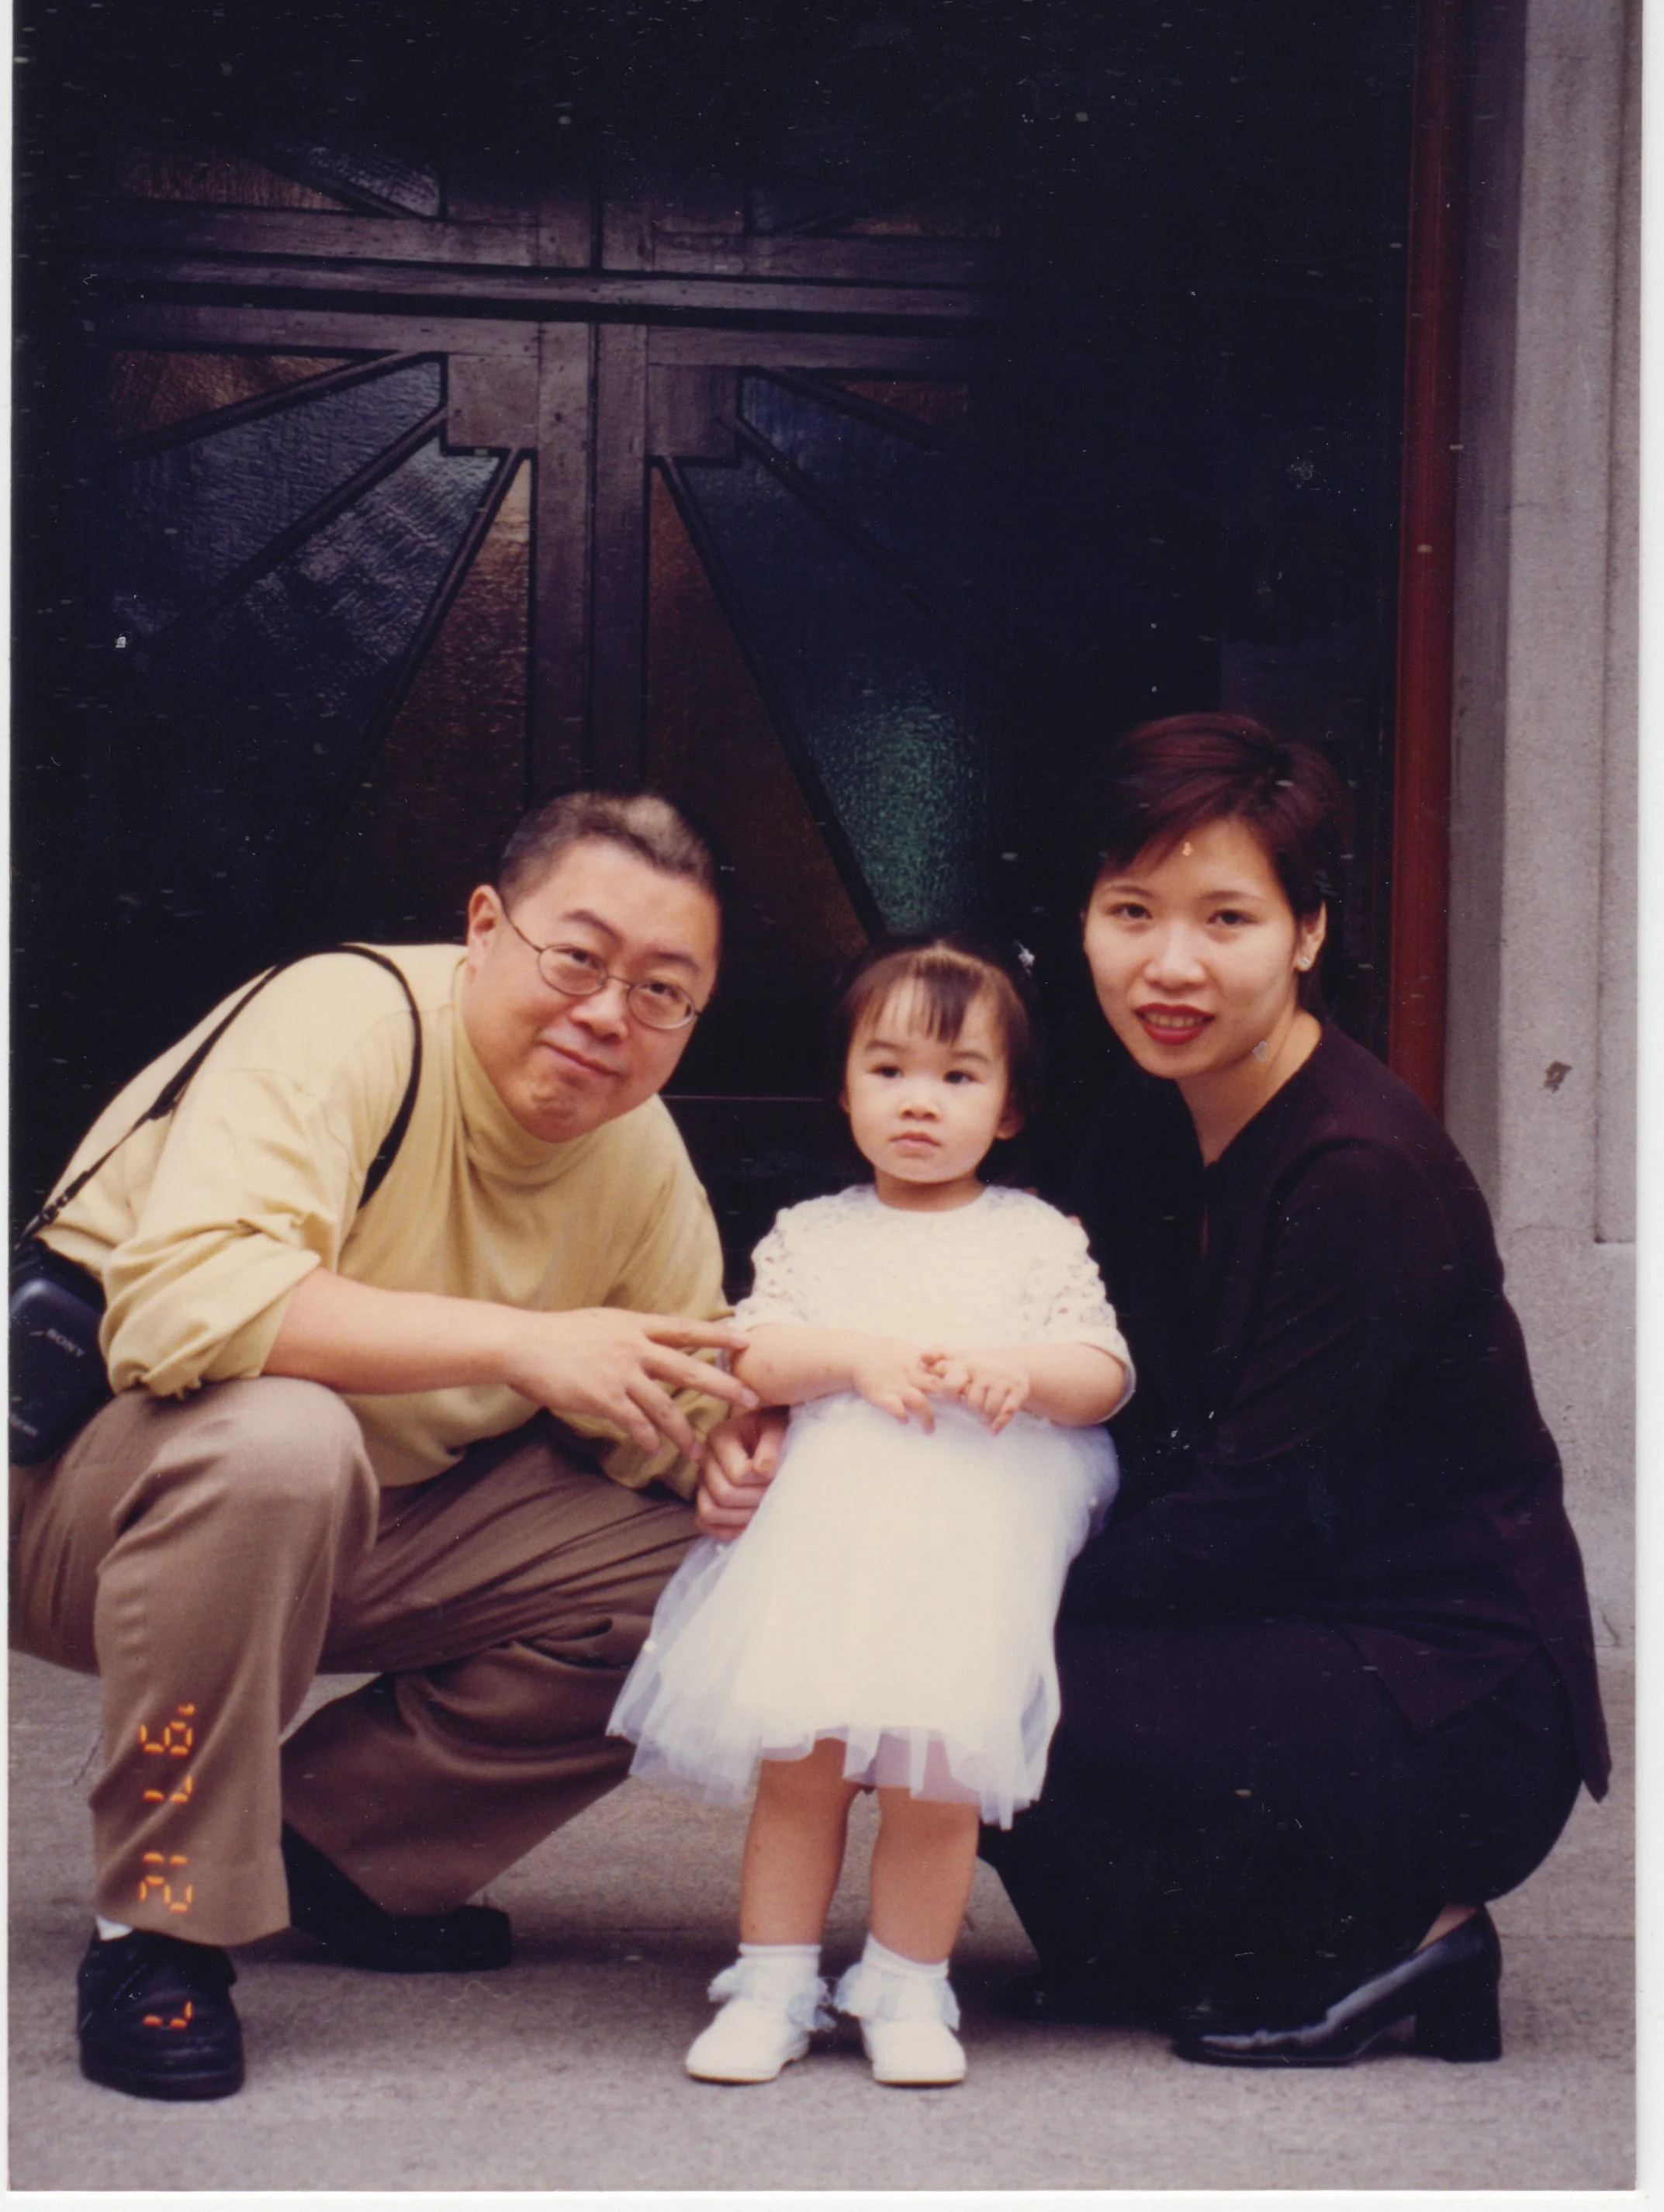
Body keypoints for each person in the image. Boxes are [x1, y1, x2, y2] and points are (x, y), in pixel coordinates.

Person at [10, 789, 763, 2103]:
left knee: (713, 1573)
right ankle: (164, 1921)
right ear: (486, 926)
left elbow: (683, 1410)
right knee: (282, 1442)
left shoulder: (638, 1152)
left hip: (369, 1523)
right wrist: (519, 1344)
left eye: (662, 991)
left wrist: (748, 1460)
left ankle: (334, 1850)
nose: (607, 1015)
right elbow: (184, 1306)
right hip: (88, 1507)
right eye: (576, 958)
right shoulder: (343, 1021)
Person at [966, 713, 1610, 2065]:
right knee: (946, 1658)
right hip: (1289, 1633)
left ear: (1309, 933)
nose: (1171, 965)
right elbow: (1048, 1355)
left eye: (1227, 919)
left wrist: (965, 1596)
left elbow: (1252, 1512)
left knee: (972, 1664)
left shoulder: (1354, 1169)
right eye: (1131, 910)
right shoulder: (1153, 1111)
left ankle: (1413, 1930)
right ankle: (1212, 1929)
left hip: (1451, 1694)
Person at [609, 935, 1131, 2089]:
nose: (919, 1103)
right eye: (889, 1070)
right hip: (833, 1550)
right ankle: (775, 1979)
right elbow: (760, 1357)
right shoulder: (816, 1231)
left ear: (1007, 1109)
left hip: (966, 1553)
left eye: (959, 1077)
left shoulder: (1035, 1237)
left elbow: (1103, 1370)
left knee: (935, 1781)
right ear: (844, 1088)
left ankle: (905, 1982)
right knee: (804, 1769)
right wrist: (855, 1356)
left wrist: (1023, 1370)